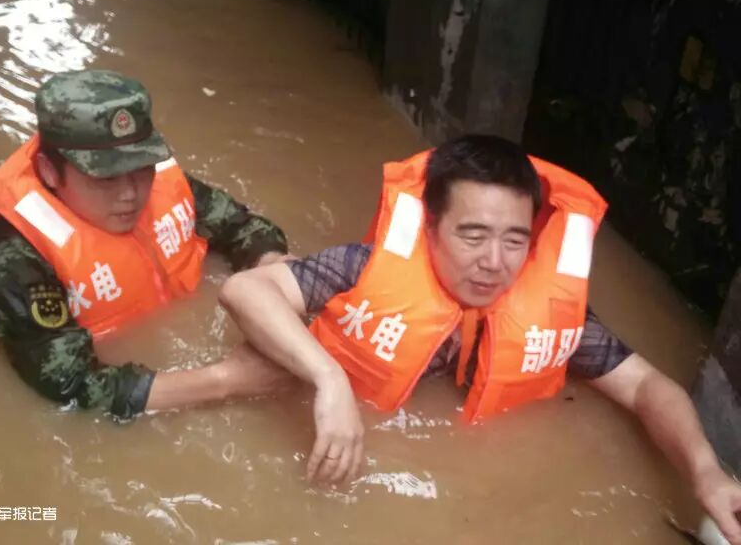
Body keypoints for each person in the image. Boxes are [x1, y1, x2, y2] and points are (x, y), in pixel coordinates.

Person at [219, 134, 741, 543]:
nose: (494, 262)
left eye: (514, 240)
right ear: (430, 228)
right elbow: (245, 291)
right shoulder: (364, 269)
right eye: (472, 235)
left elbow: (648, 387)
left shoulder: (551, 316)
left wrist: (705, 473)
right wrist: (328, 379)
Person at [0, 69, 291, 421]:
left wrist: (278, 281)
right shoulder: (16, 252)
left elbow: (241, 227)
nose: (130, 193)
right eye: (105, 177)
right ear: (49, 172)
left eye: (140, 167)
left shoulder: (159, 181)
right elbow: (67, 382)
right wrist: (227, 380)